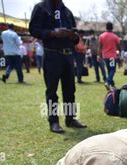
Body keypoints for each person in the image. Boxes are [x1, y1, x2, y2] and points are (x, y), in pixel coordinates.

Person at [29, 0, 87, 133]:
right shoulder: (41, 8)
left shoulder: (67, 12)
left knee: (69, 90)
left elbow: (76, 37)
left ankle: (70, 118)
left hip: (68, 55)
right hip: (51, 55)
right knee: (52, 91)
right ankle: (54, 121)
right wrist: (53, 33)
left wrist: (72, 36)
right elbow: (33, 30)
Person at [99, 22, 121, 89]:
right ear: (112, 27)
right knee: (112, 70)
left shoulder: (101, 36)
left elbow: (100, 47)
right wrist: (120, 52)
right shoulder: (115, 36)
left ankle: (112, 85)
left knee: (109, 70)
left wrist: (99, 55)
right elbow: (118, 46)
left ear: (106, 27)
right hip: (112, 56)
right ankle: (108, 82)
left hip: (105, 56)